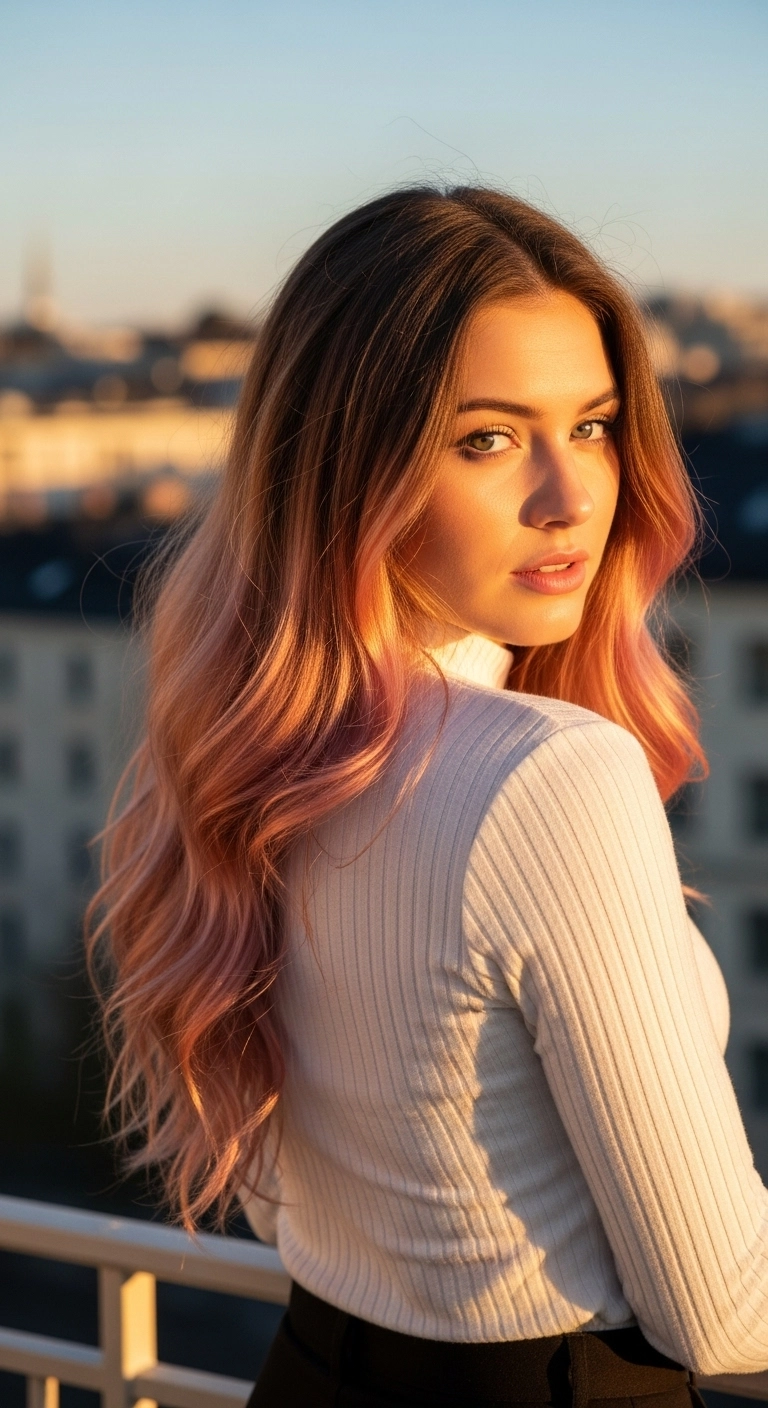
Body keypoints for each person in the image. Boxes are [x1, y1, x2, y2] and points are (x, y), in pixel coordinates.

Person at [87, 187, 768, 1408]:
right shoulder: (553, 775)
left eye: (597, 424)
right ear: (351, 467)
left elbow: (282, 1183)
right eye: (488, 439)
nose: (572, 496)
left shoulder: (262, 746)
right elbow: (723, 1303)